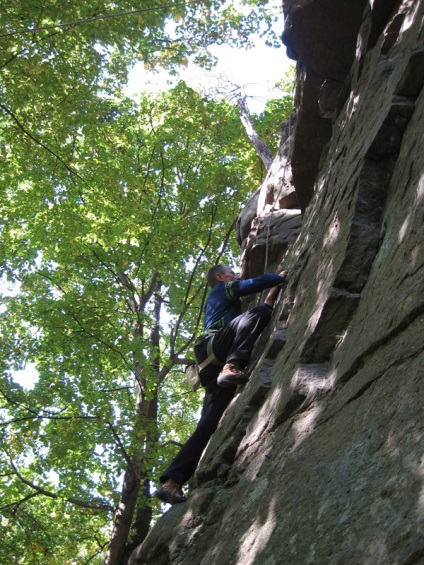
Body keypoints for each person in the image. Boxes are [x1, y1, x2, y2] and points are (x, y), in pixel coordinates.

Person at [154, 265, 287, 505]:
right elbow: (248, 286)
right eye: (232, 273)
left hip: (210, 367)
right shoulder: (219, 290)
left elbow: (259, 312)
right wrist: (278, 277)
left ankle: (172, 482)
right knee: (253, 315)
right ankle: (232, 365)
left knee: (209, 423)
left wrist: (270, 301)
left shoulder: (224, 304)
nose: (236, 275)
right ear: (220, 277)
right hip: (213, 349)